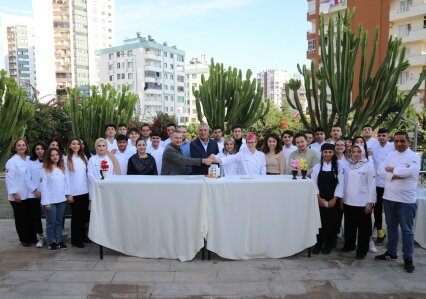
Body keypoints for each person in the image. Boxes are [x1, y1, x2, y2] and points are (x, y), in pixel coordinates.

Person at [376, 131, 420, 273]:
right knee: (391, 226)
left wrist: (392, 170)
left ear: (409, 141)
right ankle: (391, 252)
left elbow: (410, 172)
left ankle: (408, 258)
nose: (399, 144)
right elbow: (380, 170)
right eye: (396, 141)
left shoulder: (414, 157)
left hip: (406, 200)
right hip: (389, 198)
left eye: (402, 141)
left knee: (407, 230)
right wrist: (395, 175)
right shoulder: (390, 155)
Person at [341, 144, 376, 259]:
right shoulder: (347, 166)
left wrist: (370, 202)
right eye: (353, 151)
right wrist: (342, 198)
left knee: (363, 229)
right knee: (349, 226)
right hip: (348, 201)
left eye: (358, 152)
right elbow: (344, 183)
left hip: (363, 202)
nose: (356, 154)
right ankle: (349, 245)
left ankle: (362, 250)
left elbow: (372, 185)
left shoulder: (369, 166)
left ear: (363, 153)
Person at [311, 143, 344, 254]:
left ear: (333, 153)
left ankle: (329, 243)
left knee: (332, 221)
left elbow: (340, 184)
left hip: (333, 199)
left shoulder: (338, 167)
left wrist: (335, 199)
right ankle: (319, 242)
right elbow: (314, 183)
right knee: (320, 221)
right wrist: (318, 198)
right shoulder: (316, 167)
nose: (328, 154)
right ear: (321, 153)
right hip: (320, 198)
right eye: (325, 152)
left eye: (330, 152)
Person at [5, 138, 37, 247]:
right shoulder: (11, 162)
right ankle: (24, 239)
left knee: (30, 217)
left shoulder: (30, 159)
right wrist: (14, 193)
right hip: (18, 195)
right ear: (14, 148)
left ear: (27, 146)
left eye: (23, 145)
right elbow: (9, 179)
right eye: (19, 145)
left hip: (29, 194)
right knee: (21, 218)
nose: (21, 147)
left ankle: (33, 237)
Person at [40, 148, 72, 251]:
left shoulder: (62, 168)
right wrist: (46, 201)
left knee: (59, 222)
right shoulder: (44, 169)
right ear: (49, 157)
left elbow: (66, 183)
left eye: (57, 155)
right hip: (50, 201)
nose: (55, 157)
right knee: (51, 222)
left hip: (61, 200)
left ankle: (59, 241)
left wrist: (68, 195)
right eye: (52, 155)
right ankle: (51, 242)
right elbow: (43, 187)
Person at [64, 138, 89, 248]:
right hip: (73, 193)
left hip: (84, 191)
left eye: (77, 144)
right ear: (69, 145)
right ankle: (76, 240)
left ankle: (83, 236)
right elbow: (66, 178)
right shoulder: (66, 159)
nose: (76, 146)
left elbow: (86, 175)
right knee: (76, 217)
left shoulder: (84, 157)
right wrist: (68, 193)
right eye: (73, 144)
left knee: (83, 216)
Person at [371, 128, 394, 244]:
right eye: (379, 135)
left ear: (388, 136)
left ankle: (392, 234)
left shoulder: (393, 146)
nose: (381, 137)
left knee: (390, 210)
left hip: (391, 183)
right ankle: (379, 230)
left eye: (383, 135)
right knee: (378, 209)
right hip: (377, 183)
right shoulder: (374, 146)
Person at [26, 142, 47, 248]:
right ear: (34, 151)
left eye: (42, 148)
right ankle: (41, 238)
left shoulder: (49, 161)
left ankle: (52, 237)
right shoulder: (30, 162)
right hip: (34, 194)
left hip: (47, 194)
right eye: (37, 149)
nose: (40, 151)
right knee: (36, 217)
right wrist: (35, 191)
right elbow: (27, 179)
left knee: (50, 217)